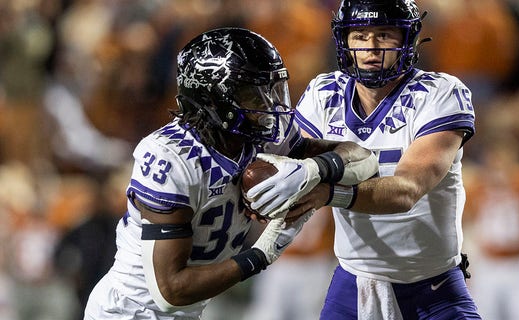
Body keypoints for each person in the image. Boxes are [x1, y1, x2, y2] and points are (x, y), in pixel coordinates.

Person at [83, 27, 378, 319]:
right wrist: (260, 255)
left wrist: (313, 169)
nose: (269, 106)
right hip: (129, 313)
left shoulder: (263, 136)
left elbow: (363, 159)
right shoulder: (171, 157)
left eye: (273, 91)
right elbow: (170, 292)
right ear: (214, 100)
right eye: (253, 96)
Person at [292, 0, 482, 318]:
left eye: (383, 34)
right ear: (344, 40)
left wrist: (327, 192)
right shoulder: (323, 95)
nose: (371, 48)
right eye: (360, 35)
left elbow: (405, 190)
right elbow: (292, 164)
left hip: (432, 290)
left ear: (407, 39)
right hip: (352, 284)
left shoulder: (439, 94)